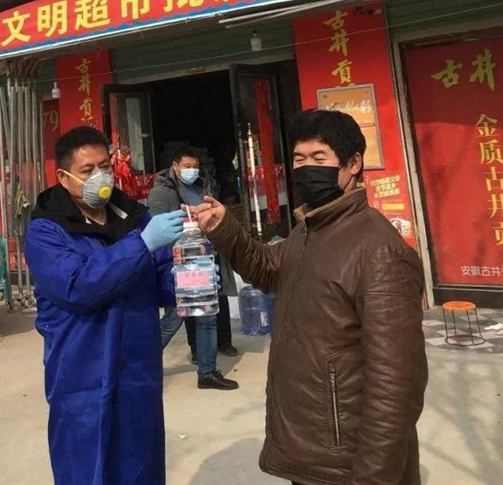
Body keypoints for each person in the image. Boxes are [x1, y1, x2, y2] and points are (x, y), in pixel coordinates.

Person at [191, 109, 428, 485]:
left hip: (348, 462)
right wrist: (226, 230)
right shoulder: (309, 229)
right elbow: (269, 268)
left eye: (319, 157)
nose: (306, 169)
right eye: (299, 159)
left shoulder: (378, 249)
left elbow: (396, 384)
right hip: (314, 451)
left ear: (353, 164)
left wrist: (373, 476)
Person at [25, 127, 185, 485]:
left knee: (140, 465)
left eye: (105, 167)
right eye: (88, 170)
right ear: (63, 177)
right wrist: (140, 246)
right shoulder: (46, 231)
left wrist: (188, 281)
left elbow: (160, 278)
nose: (100, 177)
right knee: (87, 468)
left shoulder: (134, 218)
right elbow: (78, 287)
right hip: (81, 374)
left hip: (138, 371)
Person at [148, 146, 238, 391]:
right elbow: (157, 229)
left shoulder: (200, 187)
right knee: (174, 319)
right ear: (175, 166)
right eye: (187, 166)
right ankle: (139, 361)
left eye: (195, 166)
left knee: (207, 316)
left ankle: (207, 372)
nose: (192, 171)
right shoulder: (161, 192)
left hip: (202, 260)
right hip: (179, 264)